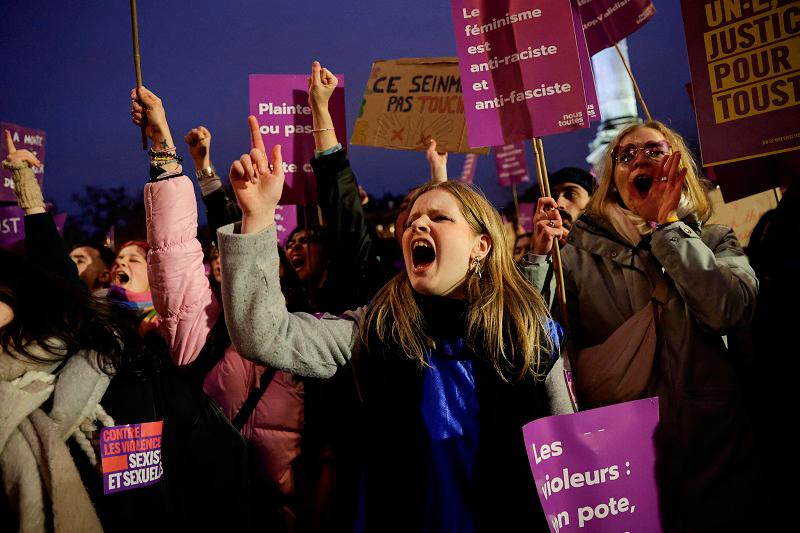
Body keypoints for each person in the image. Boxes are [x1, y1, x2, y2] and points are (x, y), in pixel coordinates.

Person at [217, 114, 569, 532]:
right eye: (415, 218)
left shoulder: (530, 334)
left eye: (440, 218)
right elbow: (265, 336)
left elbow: (565, 450)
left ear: (481, 245)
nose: (418, 224)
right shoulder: (374, 329)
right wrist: (256, 218)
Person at [525, 120, 761, 530]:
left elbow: (729, 310)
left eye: (654, 150)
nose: (640, 159)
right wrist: (539, 262)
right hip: (621, 458)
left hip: (712, 449)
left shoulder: (713, 239)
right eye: (626, 155)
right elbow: (531, 344)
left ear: (677, 164)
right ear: (614, 179)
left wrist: (668, 228)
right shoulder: (577, 257)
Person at [132, 86, 306, 532]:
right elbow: (172, 249)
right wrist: (162, 144)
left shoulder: (310, 339)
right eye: (228, 254)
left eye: (253, 250)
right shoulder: (203, 330)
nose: (235, 259)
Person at [0, 250, 254, 533]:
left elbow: (226, 490)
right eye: (119, 258)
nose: (122, 262)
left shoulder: (139, 372)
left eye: (135, 259)